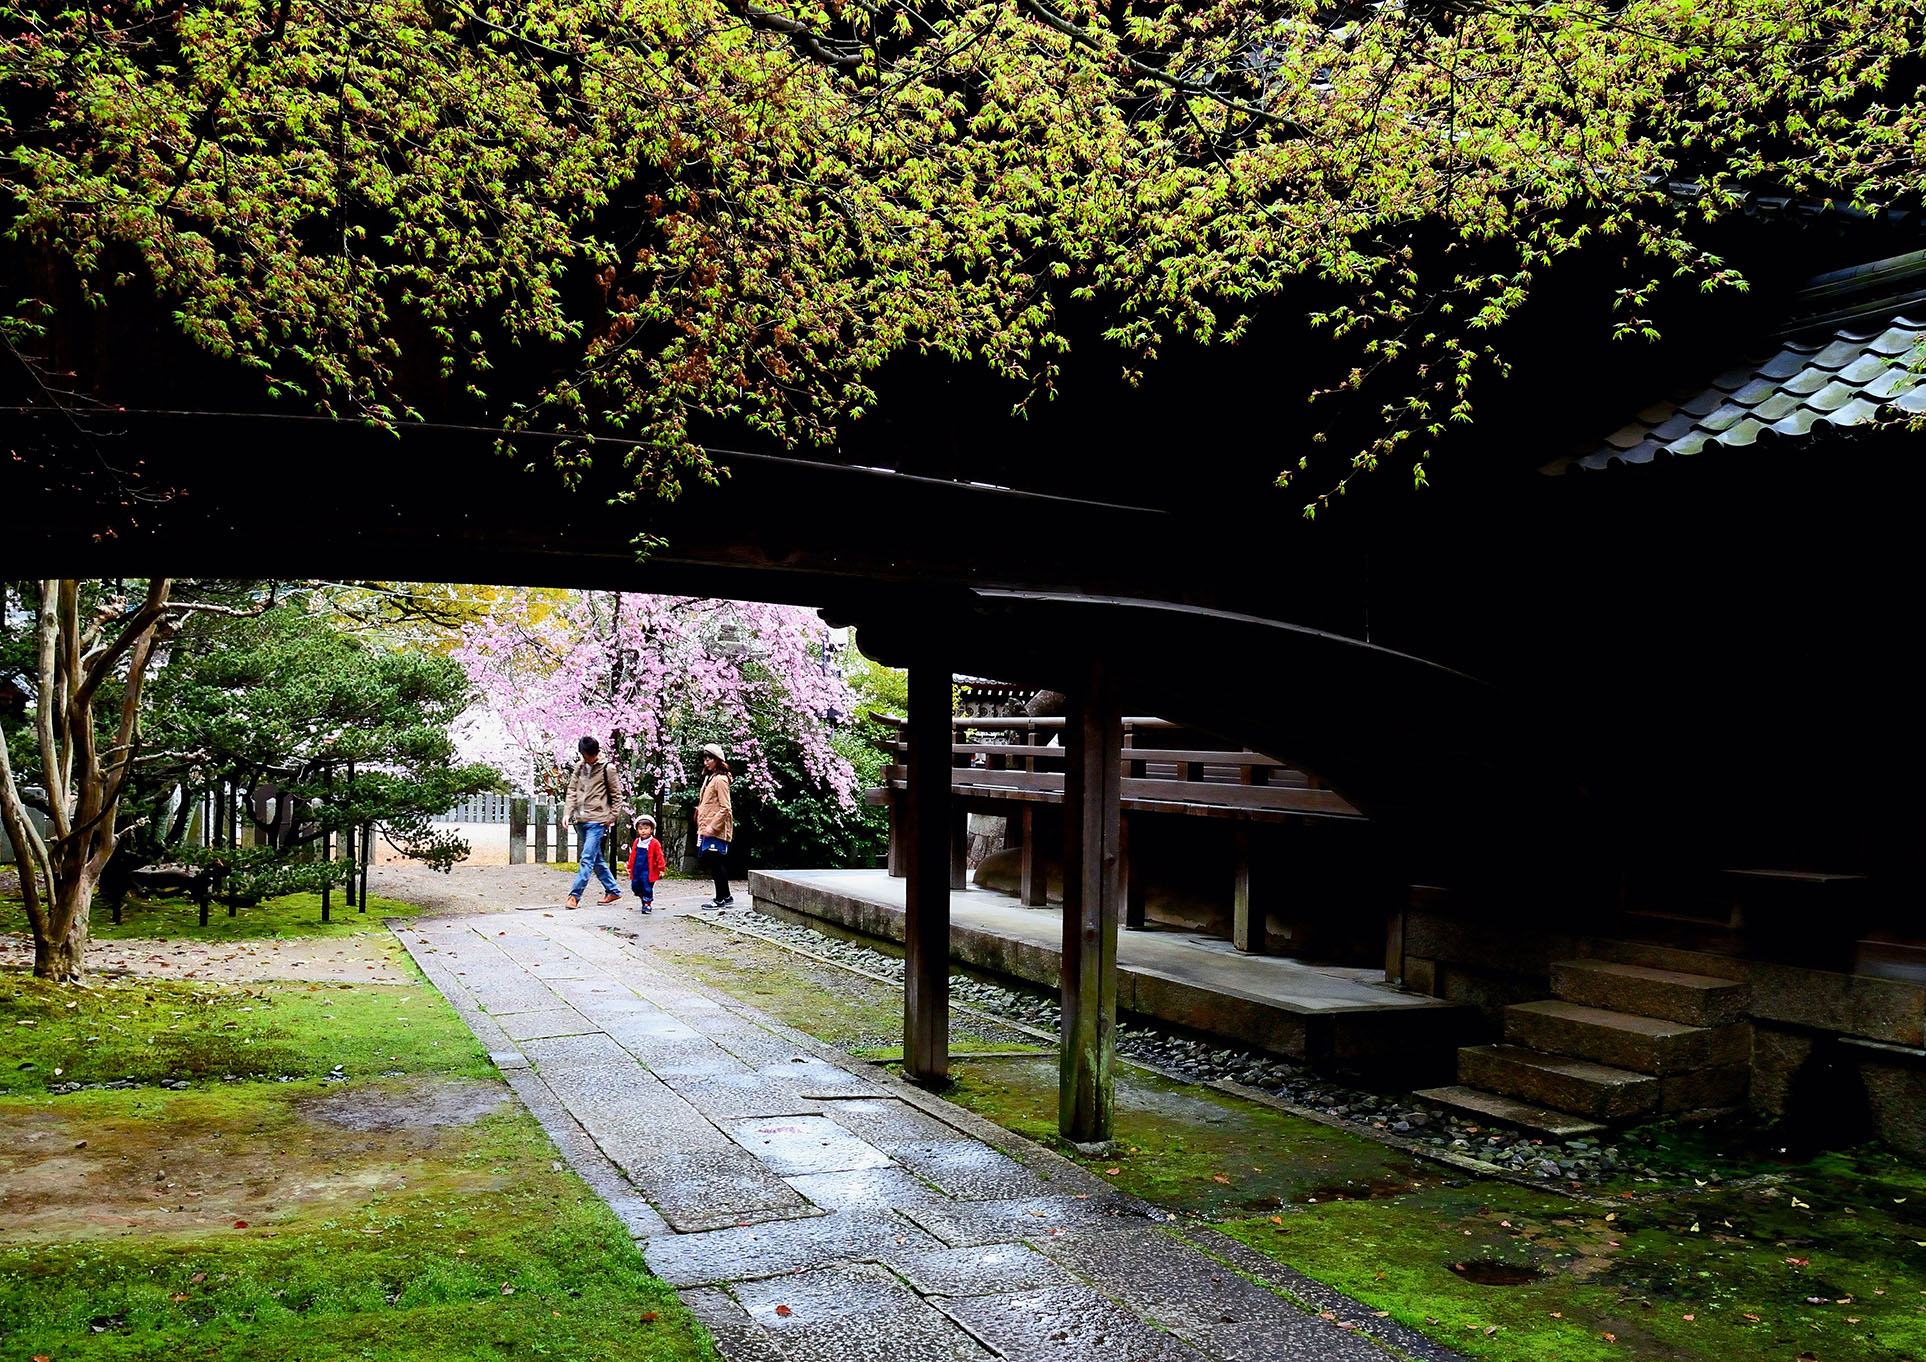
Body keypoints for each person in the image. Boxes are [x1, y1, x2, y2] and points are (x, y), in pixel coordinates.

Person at [562, 736, 626, 907]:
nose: (586, 758)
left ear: (595, 752)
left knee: (587, 858)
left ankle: (574, 896)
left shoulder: (608, 768)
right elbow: (572, 790)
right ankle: (613, 891)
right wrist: (567, 813)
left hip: (598, 821)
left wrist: (612, 816)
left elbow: (617, 796)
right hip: (581, 820)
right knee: (596, 859)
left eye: (587, 755)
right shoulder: (579, 767)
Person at [695, 742, 734, 908]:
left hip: (715, 829)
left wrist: (713, 826)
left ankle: (719, 899)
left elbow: (726, 807)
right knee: (715, 862)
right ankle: (726, 896)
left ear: (717, 760)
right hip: (707, 827)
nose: (706, 762)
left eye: (709, 759)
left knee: (716, 863)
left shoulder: (720, 780)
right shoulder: (710, 778)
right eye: (705, 759)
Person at [628, 813, 668, 914]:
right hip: (637, 868)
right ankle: (643, 897)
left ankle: (647, 903)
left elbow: (659, 856)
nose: (643, 831)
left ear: (651, 829)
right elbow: (633, 855)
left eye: (646, 828)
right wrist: (629, 866)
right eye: (640, 829)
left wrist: (661, 868)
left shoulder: (654, 843)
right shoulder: (637, 842)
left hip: (649, 869)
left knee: (647, 886)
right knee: (635, 886)